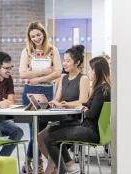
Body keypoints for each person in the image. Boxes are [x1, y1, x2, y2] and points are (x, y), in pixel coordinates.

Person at [44, 56, 111, 174]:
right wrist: (72, 105)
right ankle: (69, 167)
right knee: (52, 130)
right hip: (93, 129)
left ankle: (63, 171)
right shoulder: (104, 88)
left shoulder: (101, 90)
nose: (89, 72)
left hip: (91, 131)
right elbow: (89, 104)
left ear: (96, 71)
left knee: (49, 139)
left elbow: (92, 114)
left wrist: (84, 109)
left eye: (91, 69)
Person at [37, 45, 90, 173]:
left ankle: (56, 168)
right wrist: (53, 103)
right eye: (64, 60)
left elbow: (83, 101)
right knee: (40, 137)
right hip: (62, 120)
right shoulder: (63, 78)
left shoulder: (83, 79)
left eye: (68, 61)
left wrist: (68, 104)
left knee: (49, 136)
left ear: (77, 63)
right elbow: (57, 99)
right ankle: (64, 165)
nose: (64, 64)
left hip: (76, 121)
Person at [19, 21, 62, 174]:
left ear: (43, 33)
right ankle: (35, 163)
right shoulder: (27, 51)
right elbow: (23, 74)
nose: (36, 38)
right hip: (30, 91)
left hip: (47, 91)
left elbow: (58, 72)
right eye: (33, 36)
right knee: (33, 130)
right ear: (29, 38)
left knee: (41, 132)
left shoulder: (52, 50)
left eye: (38, 34)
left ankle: (29, 163)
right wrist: (43, 72)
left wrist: (36, 78)